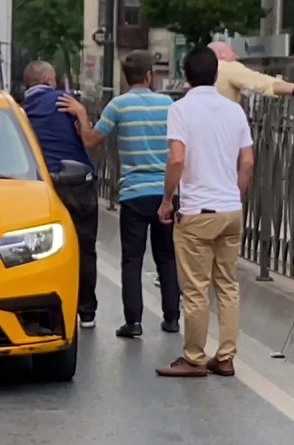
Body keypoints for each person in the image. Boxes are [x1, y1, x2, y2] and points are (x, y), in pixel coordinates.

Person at [58, 50, 181, 338]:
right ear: (149, 76)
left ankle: (133, 322)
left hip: (133, 194)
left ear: (127, 78)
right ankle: (172, 318)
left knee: (132, 260)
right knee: (166, 256)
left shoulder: (118, 106)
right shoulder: (169, 104)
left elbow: (90, 140)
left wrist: (80, 114)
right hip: (165, 192)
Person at [155, 47, 255, 378]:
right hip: (230, 210)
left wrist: (168, 199)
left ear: (185, 75)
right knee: (227, 286)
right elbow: (248, 162)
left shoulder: (180, 109)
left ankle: (194, 357)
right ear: (216, 74)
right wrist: (234, 196)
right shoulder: (234, 111)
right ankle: (225, 357)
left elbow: (177, 159)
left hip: (197, 211)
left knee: (196, 288)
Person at [21, 61, 99, 329]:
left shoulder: (18, 110)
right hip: (77, 181)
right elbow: (86, 137)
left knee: (37, 250)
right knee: (85, 247)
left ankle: (42, 307)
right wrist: (81, 113)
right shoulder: (65, 101)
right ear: (48, 79)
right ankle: (86, 311)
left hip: (39, 187)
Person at [207, 41, 294, 104]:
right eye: (233, 51)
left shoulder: (201, 70)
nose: (237, 57)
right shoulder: (227, 67)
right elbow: (260, 82)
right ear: (222, 54)